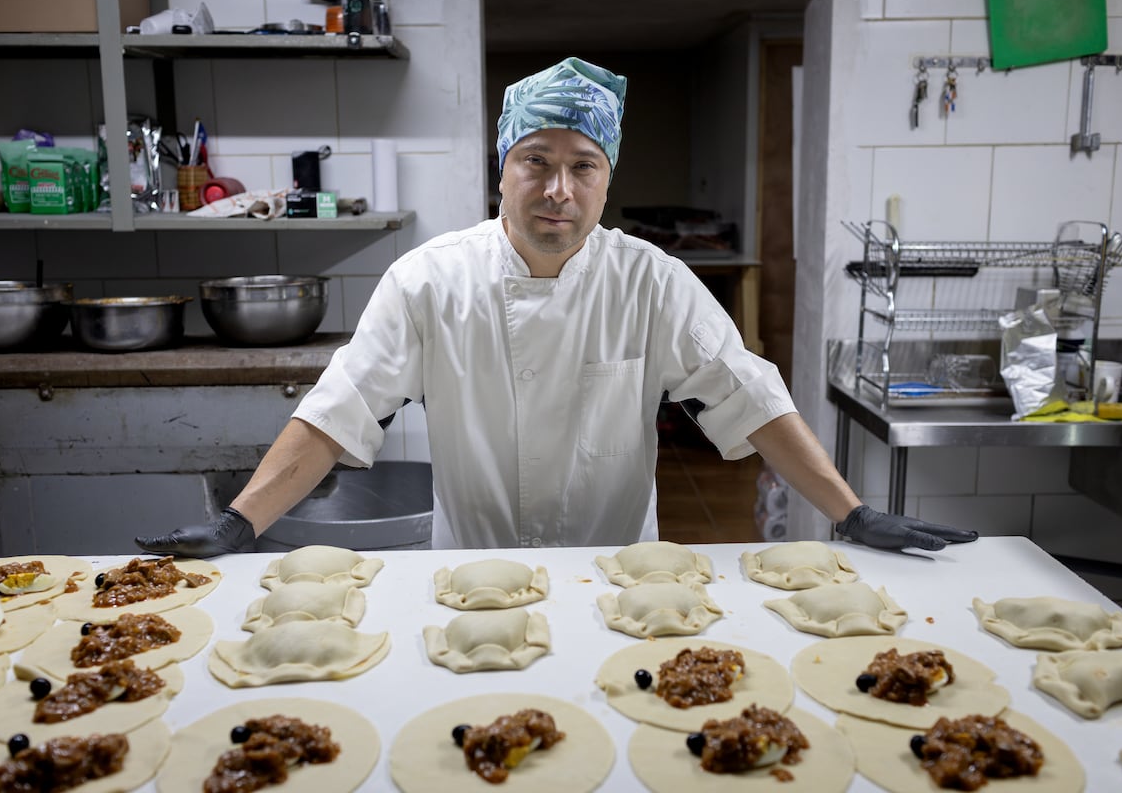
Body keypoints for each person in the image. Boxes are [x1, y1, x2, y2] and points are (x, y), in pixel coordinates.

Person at [136, 57, 976, 559]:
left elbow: (751, 401)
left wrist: (851, 512)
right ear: (502, 167)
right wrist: (242, 525)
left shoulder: (651, 282)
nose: (557, 190)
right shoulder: (430, 281)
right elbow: (337, 412)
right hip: (469, 579)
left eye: (584, 167)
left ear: (607, 180)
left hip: (618, 580)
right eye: (536, 161)